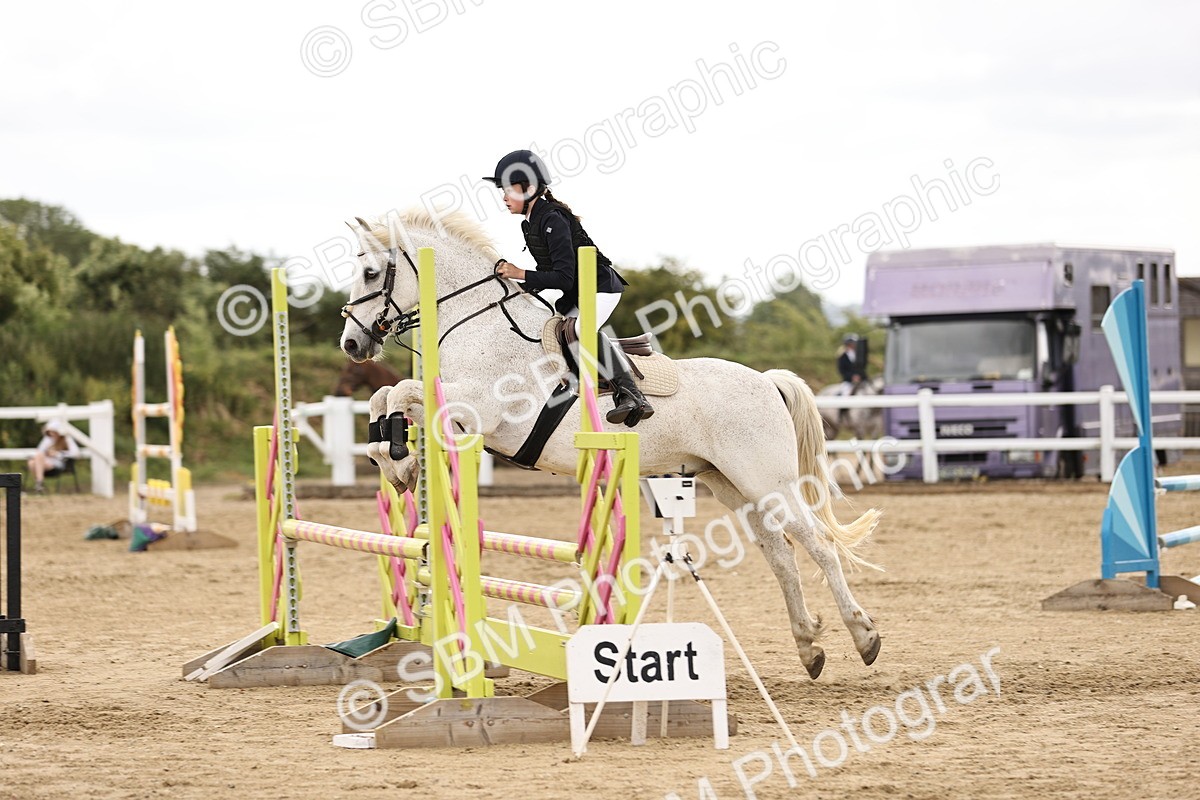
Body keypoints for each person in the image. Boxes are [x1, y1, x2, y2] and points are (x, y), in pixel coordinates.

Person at [486, 149, 654, 427]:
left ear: (528, 189)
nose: (503, 197)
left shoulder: (553, 218)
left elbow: (562, 277)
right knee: (549, 324)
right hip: (578, 290)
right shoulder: (530, 223)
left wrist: (520, 272)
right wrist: (516, 284)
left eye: (507, 190)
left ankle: (631, 396)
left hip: (600, 287)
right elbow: (548, 273)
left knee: (579, 330)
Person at [27, 419, 80, 493]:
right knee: (32, 462)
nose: (52, 434)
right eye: (50, 432)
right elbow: (39, 452)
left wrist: (57, 454)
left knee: (33, 462)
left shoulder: (66, 439)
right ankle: (39, 484)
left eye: (53, 431)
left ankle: (39, 484)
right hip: (45, 463)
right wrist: (47, 453)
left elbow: (76, 453)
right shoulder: (47, 439)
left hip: (58, 464)